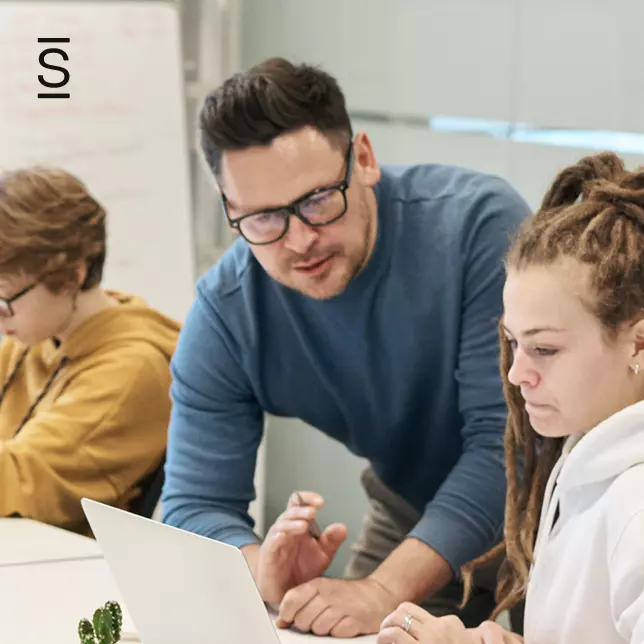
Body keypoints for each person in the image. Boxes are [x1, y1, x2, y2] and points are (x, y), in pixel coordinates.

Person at [162, 57, 531, 638]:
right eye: (262, 218)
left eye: (316, 200)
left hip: (560, 501)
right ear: (226, 203)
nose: (300, 239)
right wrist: (264, 570)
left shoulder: (477, 229)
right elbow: (191, 504)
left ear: (363, 158)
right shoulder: (228, 311)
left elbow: (506, 446)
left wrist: (382, 590)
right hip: (413, 505)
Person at [378, 151, 644, 644]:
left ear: (639, 343)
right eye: (512, 343)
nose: (519, 373)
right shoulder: (585, 463)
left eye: (544, 348)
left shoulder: (635, 503)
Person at [0, 167, 180, 535]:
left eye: (5, 299)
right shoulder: (36, 334)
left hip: (62, 576)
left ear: (72, 277)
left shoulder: (132, 370)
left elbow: (23, 479)